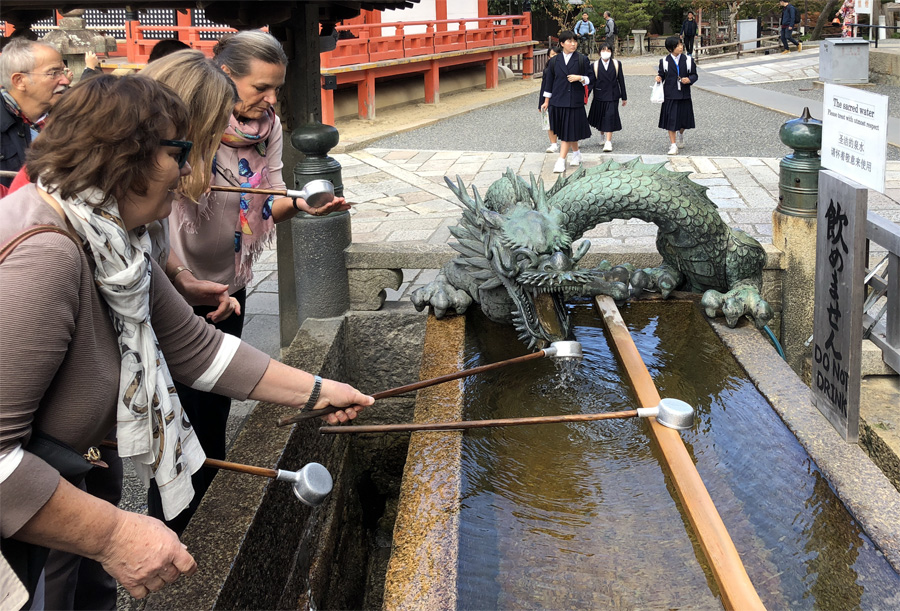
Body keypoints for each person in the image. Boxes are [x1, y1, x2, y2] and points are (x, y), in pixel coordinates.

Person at [0, 74, 372, 608]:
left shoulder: (116, 237)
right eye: (183, 151)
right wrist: (114, 534)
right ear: (130, 156)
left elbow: (195, 347)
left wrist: (318, 391)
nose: (191, 169)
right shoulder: (46, 254)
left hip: (63, 471)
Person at [155, 30, 351, 534]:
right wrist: (181, 281)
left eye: (276, 88)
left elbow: (268, 200)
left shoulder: (268, 128)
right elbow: (151, 221)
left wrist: (305, 204)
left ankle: (207, 520)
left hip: (229, 284)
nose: (269, 99)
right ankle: (176, 524)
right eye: (260, 87)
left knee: (216, 407)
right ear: (224, 76)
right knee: (180, 419)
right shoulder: (184, 124)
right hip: (177, 285)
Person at [0, 39, 71, 191]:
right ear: (19, 81)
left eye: (63, 71)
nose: (65, 80)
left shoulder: (72, 117)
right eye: (54, 73)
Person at [540, 31, 592, 173]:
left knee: (567, 130)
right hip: (557, 100)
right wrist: (546, 101)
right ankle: (576, 153)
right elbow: (549, 82)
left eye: (575, 41)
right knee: (568, 129)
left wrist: (580, 78)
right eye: (569, 41)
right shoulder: (554, 61)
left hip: (574, 101)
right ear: (562, 44)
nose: (573, 44)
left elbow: (592, 78)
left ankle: (561, 160)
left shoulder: (582, 59)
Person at [655, 36, 697, 156]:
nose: (681, 47)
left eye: (681, 45)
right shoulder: (664, 61)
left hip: (684, 94)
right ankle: (673, 145)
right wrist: (658, 78)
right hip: (670, 94)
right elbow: (661, 75)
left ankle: (681, 134)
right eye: (678, 45)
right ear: (670, 48)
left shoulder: (688, 60)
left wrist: (689, 79)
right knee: (671, 120)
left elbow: (695, 75)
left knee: (683, 121)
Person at [587, 43, 627, 153]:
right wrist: (585, 96)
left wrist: (624, 96)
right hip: (599, 95)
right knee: (601, 117)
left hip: (613, 95)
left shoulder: (616, 64)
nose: (606, 52)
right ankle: (602, 136)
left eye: (608, 50)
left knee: (610, 116)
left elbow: (621, 81)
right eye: (603, 50)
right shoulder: (594, 65)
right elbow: (591, 83)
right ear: (599, 52)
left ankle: (608, 142)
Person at [539, 44, 562, 153]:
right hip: (549, 98)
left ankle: (569, 141)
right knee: (549, 121)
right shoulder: (547, 70)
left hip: (561, 97)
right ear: (548, 57)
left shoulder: (564, 68)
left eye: (557, 54)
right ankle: (553, 144)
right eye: (552, 55)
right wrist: (541, 102)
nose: (555, 57)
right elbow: (544, 87)